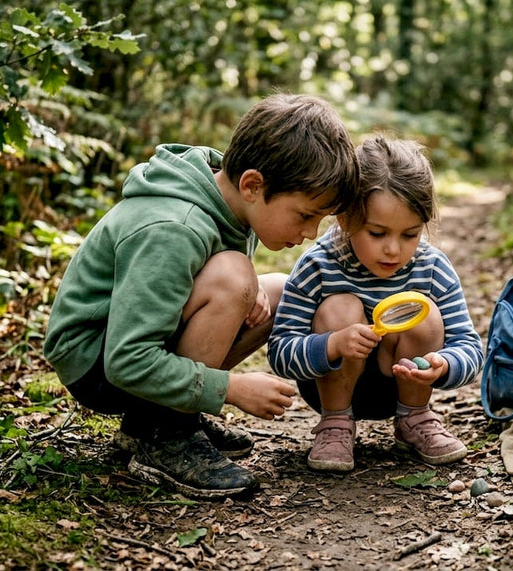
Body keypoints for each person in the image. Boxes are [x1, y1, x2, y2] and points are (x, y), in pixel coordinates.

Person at [43, 94, 359, 498]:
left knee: (278, 290)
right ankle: (165, 434)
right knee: (235, 276)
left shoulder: (229, 200)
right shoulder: (174, 228)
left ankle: (161, 418)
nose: (312, 233)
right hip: (96, 363)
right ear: (252, 184)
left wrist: (247, 293)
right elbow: (125, 359)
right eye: (305, 215)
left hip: (125, 349)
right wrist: (229, 388)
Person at [267, 134, 483, 472]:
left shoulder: (432, 267)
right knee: (340, 307)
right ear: (345, 218)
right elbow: (280, 352)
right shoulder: (318, 266)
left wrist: (443, 364)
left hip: (400, 386)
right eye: (378, 233)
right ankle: (336, 424)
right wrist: (333, 344)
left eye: (410, 234)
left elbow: (470, 346)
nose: (394, 250)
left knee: (423, 313)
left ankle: (415, 419)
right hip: (327, 385)